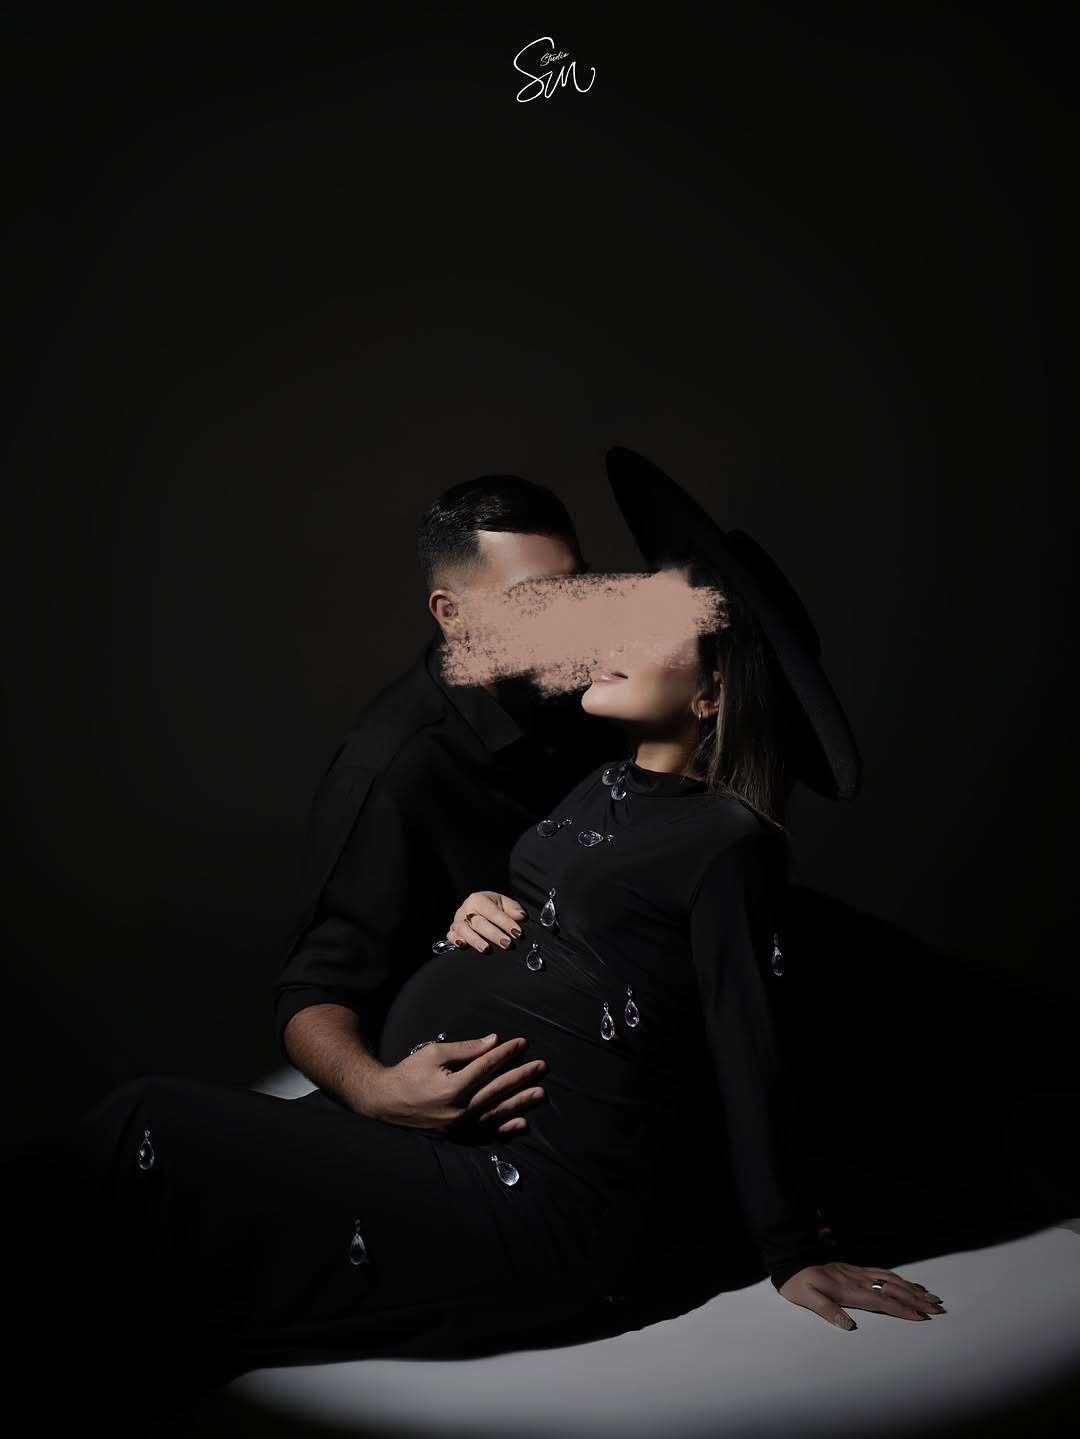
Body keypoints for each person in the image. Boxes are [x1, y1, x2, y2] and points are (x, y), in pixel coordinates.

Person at [274, 473, 620, 1136]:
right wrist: (375, 1090)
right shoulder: (393, 767)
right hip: (491, 1103)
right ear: (451, 614)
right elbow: (311, 993)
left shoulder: (594, 695)